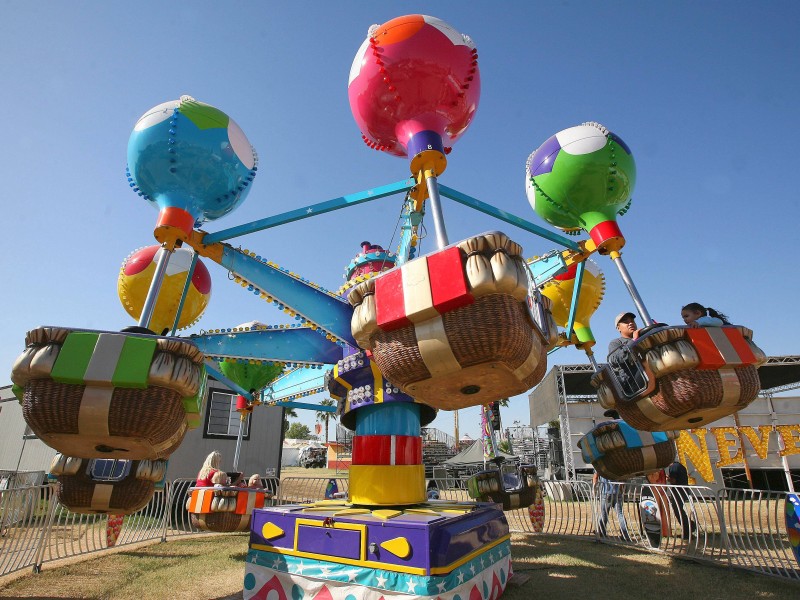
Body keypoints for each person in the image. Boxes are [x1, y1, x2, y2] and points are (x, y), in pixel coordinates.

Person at [593, 470, 631, 542]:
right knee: (620, 514)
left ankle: (602, 532)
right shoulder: (616, 465)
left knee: (604, 514)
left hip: (606, 493)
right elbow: (622, 479)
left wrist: (594, 490)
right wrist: (621, 490)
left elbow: (595, 476)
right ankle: (625, 535)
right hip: (617, 493)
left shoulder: (600, 465)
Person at [666, 461, 697, 539]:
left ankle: (688, 530)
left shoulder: (673, 467)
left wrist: (667, 478)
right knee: (679, 510)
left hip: (678, 491)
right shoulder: (680, 466)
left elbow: (673, 480)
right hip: (683, 490)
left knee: (678, 510)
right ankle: (690, 526)